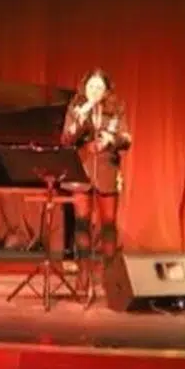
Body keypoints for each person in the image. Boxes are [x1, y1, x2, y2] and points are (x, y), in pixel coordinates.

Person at [61, 69, 132, 261]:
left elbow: (126, 139)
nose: (94, 91)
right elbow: (67, 139)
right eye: (91, 86)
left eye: (99, 87)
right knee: (81, 222)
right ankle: (83, 269)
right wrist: (82, 114)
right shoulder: (76, 109)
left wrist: (111, 140)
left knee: (108, 223)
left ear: (106, 91)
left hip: (107, 170)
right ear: (84, 88)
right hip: (81, 170)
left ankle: (110, 269)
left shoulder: (116, 110)